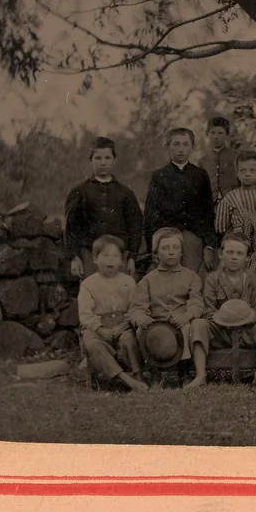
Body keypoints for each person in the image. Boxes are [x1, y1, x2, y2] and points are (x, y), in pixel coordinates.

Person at [188, 232, 256, 389]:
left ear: (248, 258)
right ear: (220, 254)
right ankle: (201, 375)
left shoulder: (255, 281)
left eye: (239, 253)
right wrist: (225, 318)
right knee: (198, 324)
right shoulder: (212, 279)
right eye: (229, 252)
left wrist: (245, 318)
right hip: (220, 332)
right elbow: (208, 311)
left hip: (247, 332)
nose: (234, 257)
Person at [64, 137, 144, 279]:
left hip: (119, 255)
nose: (102, 163)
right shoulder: (79, 192)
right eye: (98, 158)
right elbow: (71, 228)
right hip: (89, 255)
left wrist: (132, 257)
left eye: (107, 158)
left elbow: (135, 226)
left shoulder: (125, 193)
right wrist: (74, 257)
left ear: (114, 160)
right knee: (92, 294)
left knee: (120, 294)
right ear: (91, 160)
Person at [129, 227, 204, 378]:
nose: (171, 252)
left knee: (187, 329)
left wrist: (187, 315)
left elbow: (197, 302)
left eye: (175, 248)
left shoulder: (191, 276)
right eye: (165, 248)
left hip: (180, 322)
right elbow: (137, 307)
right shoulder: (148, 280)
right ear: (156, 253)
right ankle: (154, 374)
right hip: (157, 323)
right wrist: (140, 317)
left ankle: (183, 373)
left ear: (182, 252)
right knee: (142, 331)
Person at [143, 127, 219, 276]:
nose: (181, 149)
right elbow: (151, 214)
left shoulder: (200, 175)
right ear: (168, 146)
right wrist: (154, 246)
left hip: (194, 237)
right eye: (176, 144)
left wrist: (209, 245)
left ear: (192, 147)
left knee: (192, 276)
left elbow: (208, 213)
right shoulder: (159, 176)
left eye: (185, 144)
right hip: (167, 236)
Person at [77, 234, 146, 392]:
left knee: (129, 339)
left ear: (122, 261)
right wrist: (100, 329)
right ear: (95, 259)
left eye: (115, 256)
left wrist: (125, 324)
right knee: (92, 343)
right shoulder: (88, 284)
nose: (110, 260)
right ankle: (125, 379)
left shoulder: (128, 281)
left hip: (123, 325)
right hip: (97, 328)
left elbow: (134, 307)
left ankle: (138, 374)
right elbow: (85, 314)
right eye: (105, 255)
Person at [214, 150, 256, 236]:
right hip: (237, 243)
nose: (247, 174)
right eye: (243, 170)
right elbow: (220, 228)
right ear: (237, 172)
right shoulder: (230, 198)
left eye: (252, 170)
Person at [203, 116, 241, 201]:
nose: (216, 137)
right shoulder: (203, 160)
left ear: (227, 135)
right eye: (212, 133)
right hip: (210, 204)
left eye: (220, 133)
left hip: (233, 202)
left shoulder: (237, 156)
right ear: (207, 133)